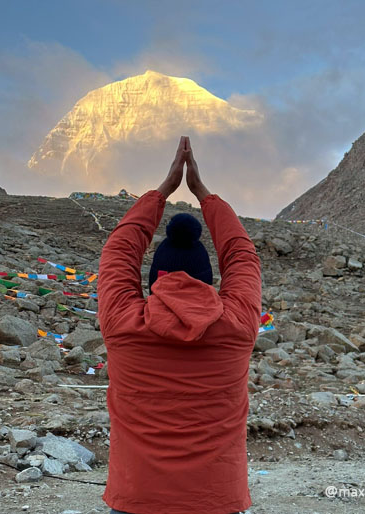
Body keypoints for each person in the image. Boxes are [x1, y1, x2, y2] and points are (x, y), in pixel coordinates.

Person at [97, 136, 261, 514]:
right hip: (217, 500)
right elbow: (242, 255)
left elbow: (118, 251)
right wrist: (205, 195)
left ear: (154, 278)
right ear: (210, 280)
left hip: (136, 498)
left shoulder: (123, 323)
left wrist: (163, 191)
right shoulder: (237, 326)